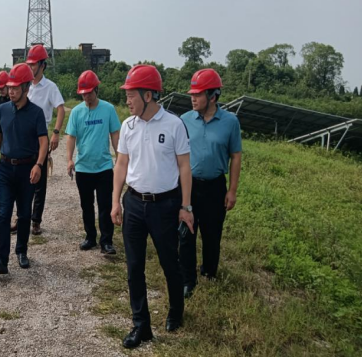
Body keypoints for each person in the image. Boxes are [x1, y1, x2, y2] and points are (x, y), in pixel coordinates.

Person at [110, 64, 194, 349]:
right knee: (134, 267)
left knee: (170, 262)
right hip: (134, 203)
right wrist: (115, 201)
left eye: (131, 95)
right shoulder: (128, 126)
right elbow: (121, 164)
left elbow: (184, 167)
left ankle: (176, 311)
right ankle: (141, 325)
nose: (127, 100)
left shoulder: (173, 124)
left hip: (165, 205)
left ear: (148, 95)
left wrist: (185, 206)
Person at [179, 69, 242, 298]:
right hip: (189, 186)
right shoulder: (184, 120)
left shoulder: (230, 122)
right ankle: (188, 279)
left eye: (198, 94)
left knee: (212, 234)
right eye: (192, 94)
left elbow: (236, 156)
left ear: (213, 96)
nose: (193, 98)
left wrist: (232, 190)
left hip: (215, 187)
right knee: (186, 233)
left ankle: (209, 271)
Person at [0, 63, 49, 274]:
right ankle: (1, 259)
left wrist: (39, 165)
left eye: (15, 88)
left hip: (27, 170)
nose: (11, 91)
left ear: (26, 88)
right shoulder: (3, 110)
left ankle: (21, 251)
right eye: (10, 87)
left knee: (24, 214)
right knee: (4, 213)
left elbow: (43, 141)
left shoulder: (36, 113)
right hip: (6, 167)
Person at [66, 70, 121, 254]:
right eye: (83, 94)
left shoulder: (108, 109)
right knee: (86, 205)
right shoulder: (76, 112)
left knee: (105, 205)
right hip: (83, 167)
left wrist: (119, 157)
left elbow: (114, 134)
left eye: (89, 93)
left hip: (104, 167)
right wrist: (69, 159)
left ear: (96, 89)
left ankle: (106, 241)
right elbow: (71, 137)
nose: (86, 97)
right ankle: (90, 237)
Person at [25, 44, 65, 236]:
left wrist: (56, 132)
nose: (30, 67)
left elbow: (61, 109)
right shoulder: (25, 85)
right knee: (22, 180)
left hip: (40, 138)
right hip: (23, 137)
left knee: (39, 182)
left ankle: (36, 221)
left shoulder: (50, 87)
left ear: (42, 65)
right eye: (29, 64)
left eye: (33, 64)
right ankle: (21, 217)